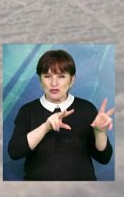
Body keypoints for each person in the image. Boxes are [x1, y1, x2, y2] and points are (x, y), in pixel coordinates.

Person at [7, 49, 114, 181]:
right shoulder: (28, 110)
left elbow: (104, 158)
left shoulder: (86, 108)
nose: (54, 83)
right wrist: (46, 127)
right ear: (40, 79)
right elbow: (14, 152)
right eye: (47, 76)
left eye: (61, 76)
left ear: (72, 80)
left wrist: (100, 132)